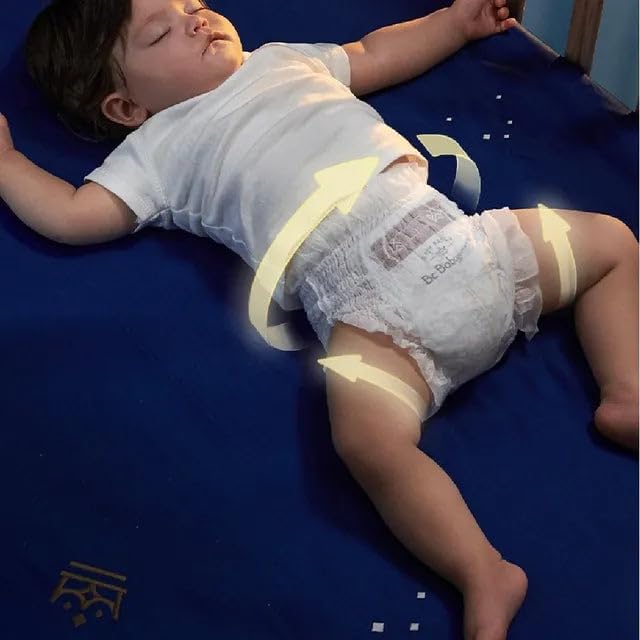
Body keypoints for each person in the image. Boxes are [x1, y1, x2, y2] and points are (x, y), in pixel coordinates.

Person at [0, 0, 637, 638]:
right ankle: (482, 570)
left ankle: (627, 392)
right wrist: (7, 164)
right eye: (161, 32)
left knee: (611, 243)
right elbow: (74, 214)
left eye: (194, 5)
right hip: (369, 313)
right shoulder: (154, 152)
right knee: (367, 443)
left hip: (467, 242)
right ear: (125, 107)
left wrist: (452, 24)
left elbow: (373, 54)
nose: (197, 20)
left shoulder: (280, 61)